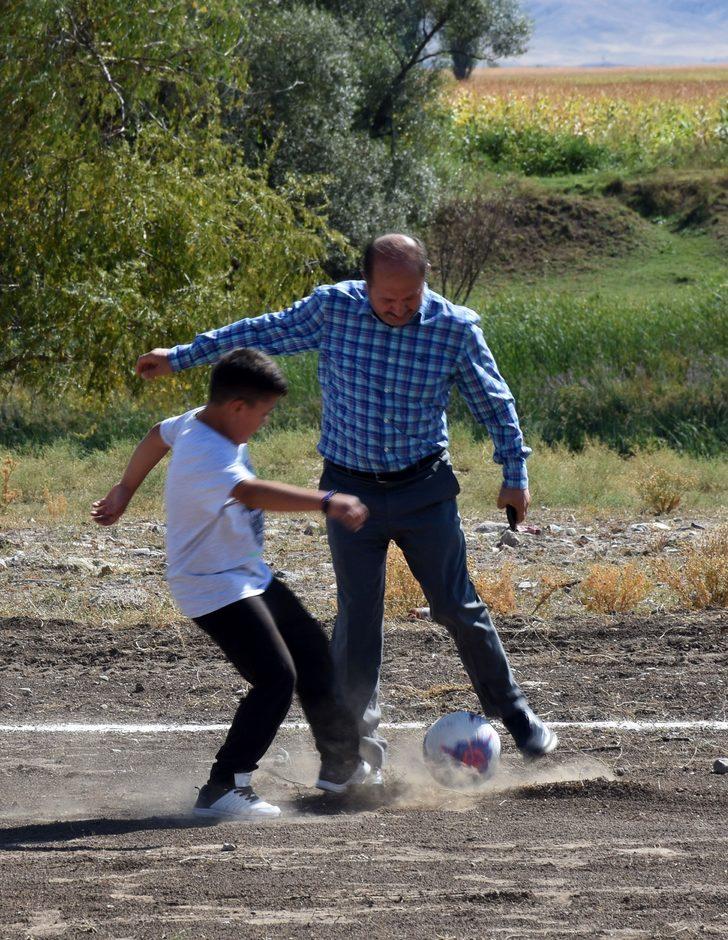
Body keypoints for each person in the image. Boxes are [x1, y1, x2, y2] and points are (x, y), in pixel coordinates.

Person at [135, 233, 558, 781]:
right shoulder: (334, 309)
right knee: (358, 618)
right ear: (366, 284)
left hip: (423, 489)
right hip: (349, 490)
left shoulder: (454, 329)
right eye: (388, 299)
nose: (400, 309)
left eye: (411, 298)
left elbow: (492, 400)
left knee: (456, 605)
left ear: (426, 281)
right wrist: (184, 356)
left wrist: (514, 474)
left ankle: (516, 714)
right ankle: (359, 752)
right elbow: (264, 331)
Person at [92, 348, 371, 819]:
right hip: (210, 585)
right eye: (263, 414)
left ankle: (341, 767)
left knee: (311, 651)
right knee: (275, 678)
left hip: (246, 574)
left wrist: (125, 488)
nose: (263, 423)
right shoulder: (208, 451)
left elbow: (157, 434)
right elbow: (249, 491)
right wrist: (328, 501)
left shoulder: (200, 421)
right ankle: (223, 787)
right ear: (238, 407)